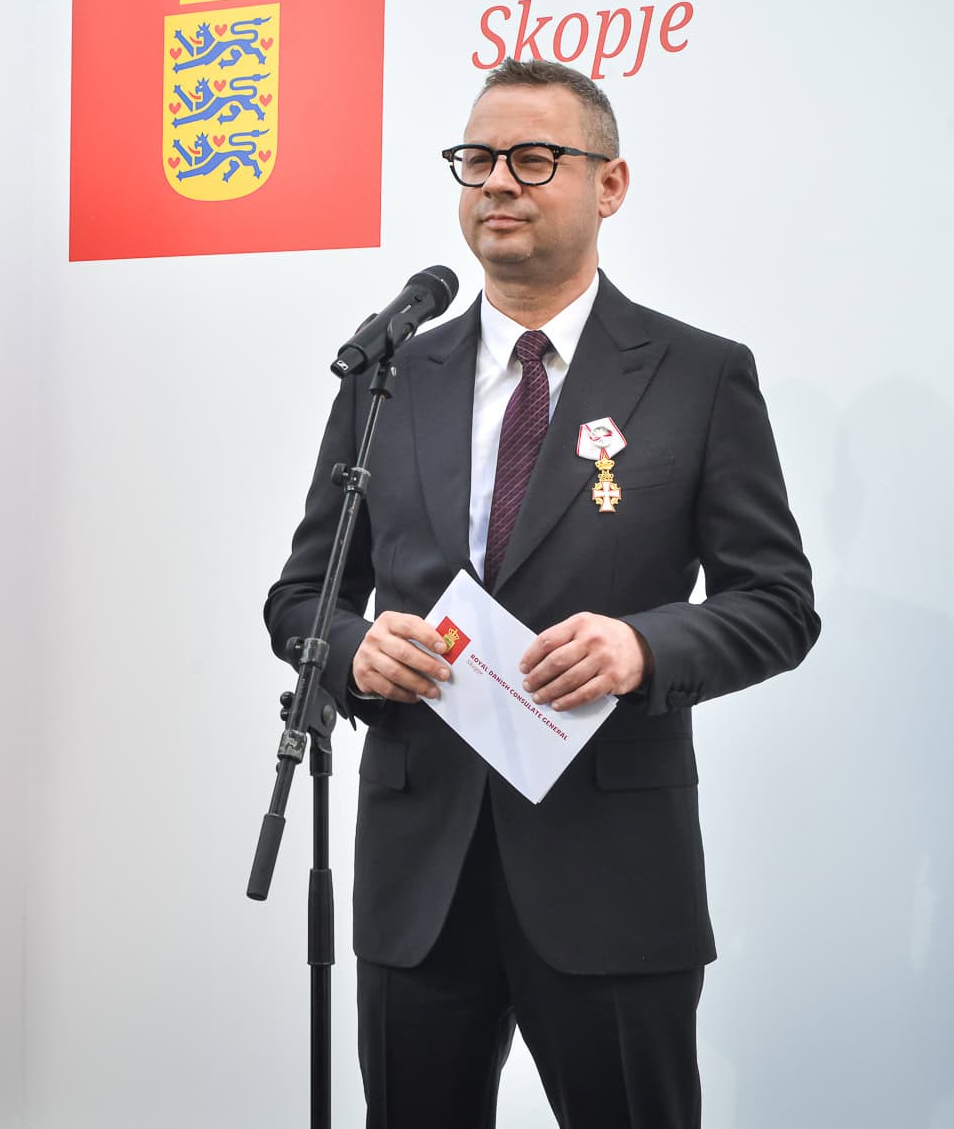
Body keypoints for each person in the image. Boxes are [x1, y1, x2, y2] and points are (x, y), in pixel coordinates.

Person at [264, 58, 820, 1128]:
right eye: (477, 160)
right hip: (418, 875)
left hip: (612, 875)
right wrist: (351, 649)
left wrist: (642, 648)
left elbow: (777, 603)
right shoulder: (389, 378)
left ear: (609, 184)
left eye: (532, 159)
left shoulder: (696, 375)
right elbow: (302, 595)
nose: (496, 184)